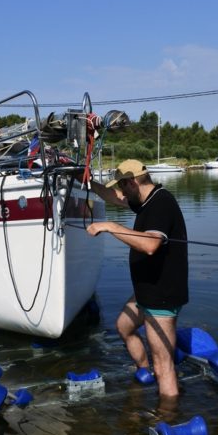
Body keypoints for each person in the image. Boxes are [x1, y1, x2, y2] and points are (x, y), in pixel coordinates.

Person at [85, 159, 188, 399]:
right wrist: (90, 183)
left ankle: (167, 420)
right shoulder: (145, 200)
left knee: (164, 365)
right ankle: (143, 370)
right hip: (147, 289)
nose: (121, 191)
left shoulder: (161, 203)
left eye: (123, 185)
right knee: (124, 326)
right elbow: (117, 198)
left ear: (132, 182)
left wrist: (110, 225)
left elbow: (151, 244)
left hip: (161, 294)